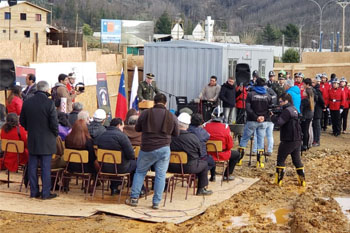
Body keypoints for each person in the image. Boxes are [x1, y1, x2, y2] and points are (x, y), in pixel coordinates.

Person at [126, 93, 179, 209]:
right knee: (160, 175)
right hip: (164, 148)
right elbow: (176, 133)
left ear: (154, 102)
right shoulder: (171, 116)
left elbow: (137, 128)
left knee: (140, 172)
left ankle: (134, 198)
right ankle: (156, 202)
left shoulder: (145, 113)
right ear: (165, 103)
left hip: (147, 148)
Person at [20, 81, 58, 199]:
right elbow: (54, 123)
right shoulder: (49, 103)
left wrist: (30, 129)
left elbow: (22, 121)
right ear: (47, 90)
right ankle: (46, 193)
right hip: (47, 141)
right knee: (46, 168)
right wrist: (55, 134)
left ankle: (34, 192)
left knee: (32, 167)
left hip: (32, 139)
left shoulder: (27, 102)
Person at [170, 113, 213, 196]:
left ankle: (164, 187)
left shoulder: (170, 136)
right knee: (204, 164)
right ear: (187, 125)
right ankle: (201, 189)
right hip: (188, 167)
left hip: (170, 166)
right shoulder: (193, 138)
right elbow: (200, 153)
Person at [271, 93, 305, 187]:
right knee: (297, 161)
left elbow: (279, 122)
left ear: (286, 101)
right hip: (297, 139)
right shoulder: (294, 109)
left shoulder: (286, 111)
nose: (280, 103)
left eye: (281, 101)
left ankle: (278, 181)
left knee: (281, 159)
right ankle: (302, 181)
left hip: (288, 139)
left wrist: (272, 117)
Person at [237, 78, 272, 168]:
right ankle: (259, 162)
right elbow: (270, 109)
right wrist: (263, 117)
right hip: (263, 121)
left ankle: (239, 160)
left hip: (252, 120)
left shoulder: (250, 94)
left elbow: (248, 108)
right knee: (260, 140)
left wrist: (256, 117)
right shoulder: (268, 95)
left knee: (244, 139)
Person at [96, 118, 137, 195]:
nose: (123, 129)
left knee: (114, 164)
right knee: (137, 165)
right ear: (118, 125)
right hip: (120, 168)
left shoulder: (101, 135)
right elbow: (131, 155)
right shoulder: (122, 136)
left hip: (103, 167)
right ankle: (140, 189)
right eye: (122, 127)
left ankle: (114, 188)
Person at [203, 108, 241, 180]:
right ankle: (227, 175)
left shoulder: (205, 126)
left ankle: (213, 176)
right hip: (221, 154)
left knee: (212, 153)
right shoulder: (225, 127)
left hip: (207, 154)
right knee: (237, 155)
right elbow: (230, 145)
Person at [64, 119, 98, 190]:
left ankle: (65, 185)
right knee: (95, 165)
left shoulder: (67, 139)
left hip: (70, 167)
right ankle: (89, 186)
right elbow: (92, 158)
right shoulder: (88, 141)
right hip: (85, 168)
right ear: (85, 129)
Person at [188, 113, 216, 182]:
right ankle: (210, 177)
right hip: (200, 157)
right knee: (211, 162)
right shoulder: (202, 132)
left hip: (186, 158)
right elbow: (208, 136)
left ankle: (196, 175)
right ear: (201, 122)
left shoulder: (186, 129)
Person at [311, 76, 325, 147]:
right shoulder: (313, 90)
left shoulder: (317, 91)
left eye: (313, 82)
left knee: (317, 127)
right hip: (314, 110)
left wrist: (323, 107)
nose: (311, 83)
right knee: (314, 126)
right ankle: (314, 140)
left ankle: (317, 141)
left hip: (317, 111)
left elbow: (321, 101)